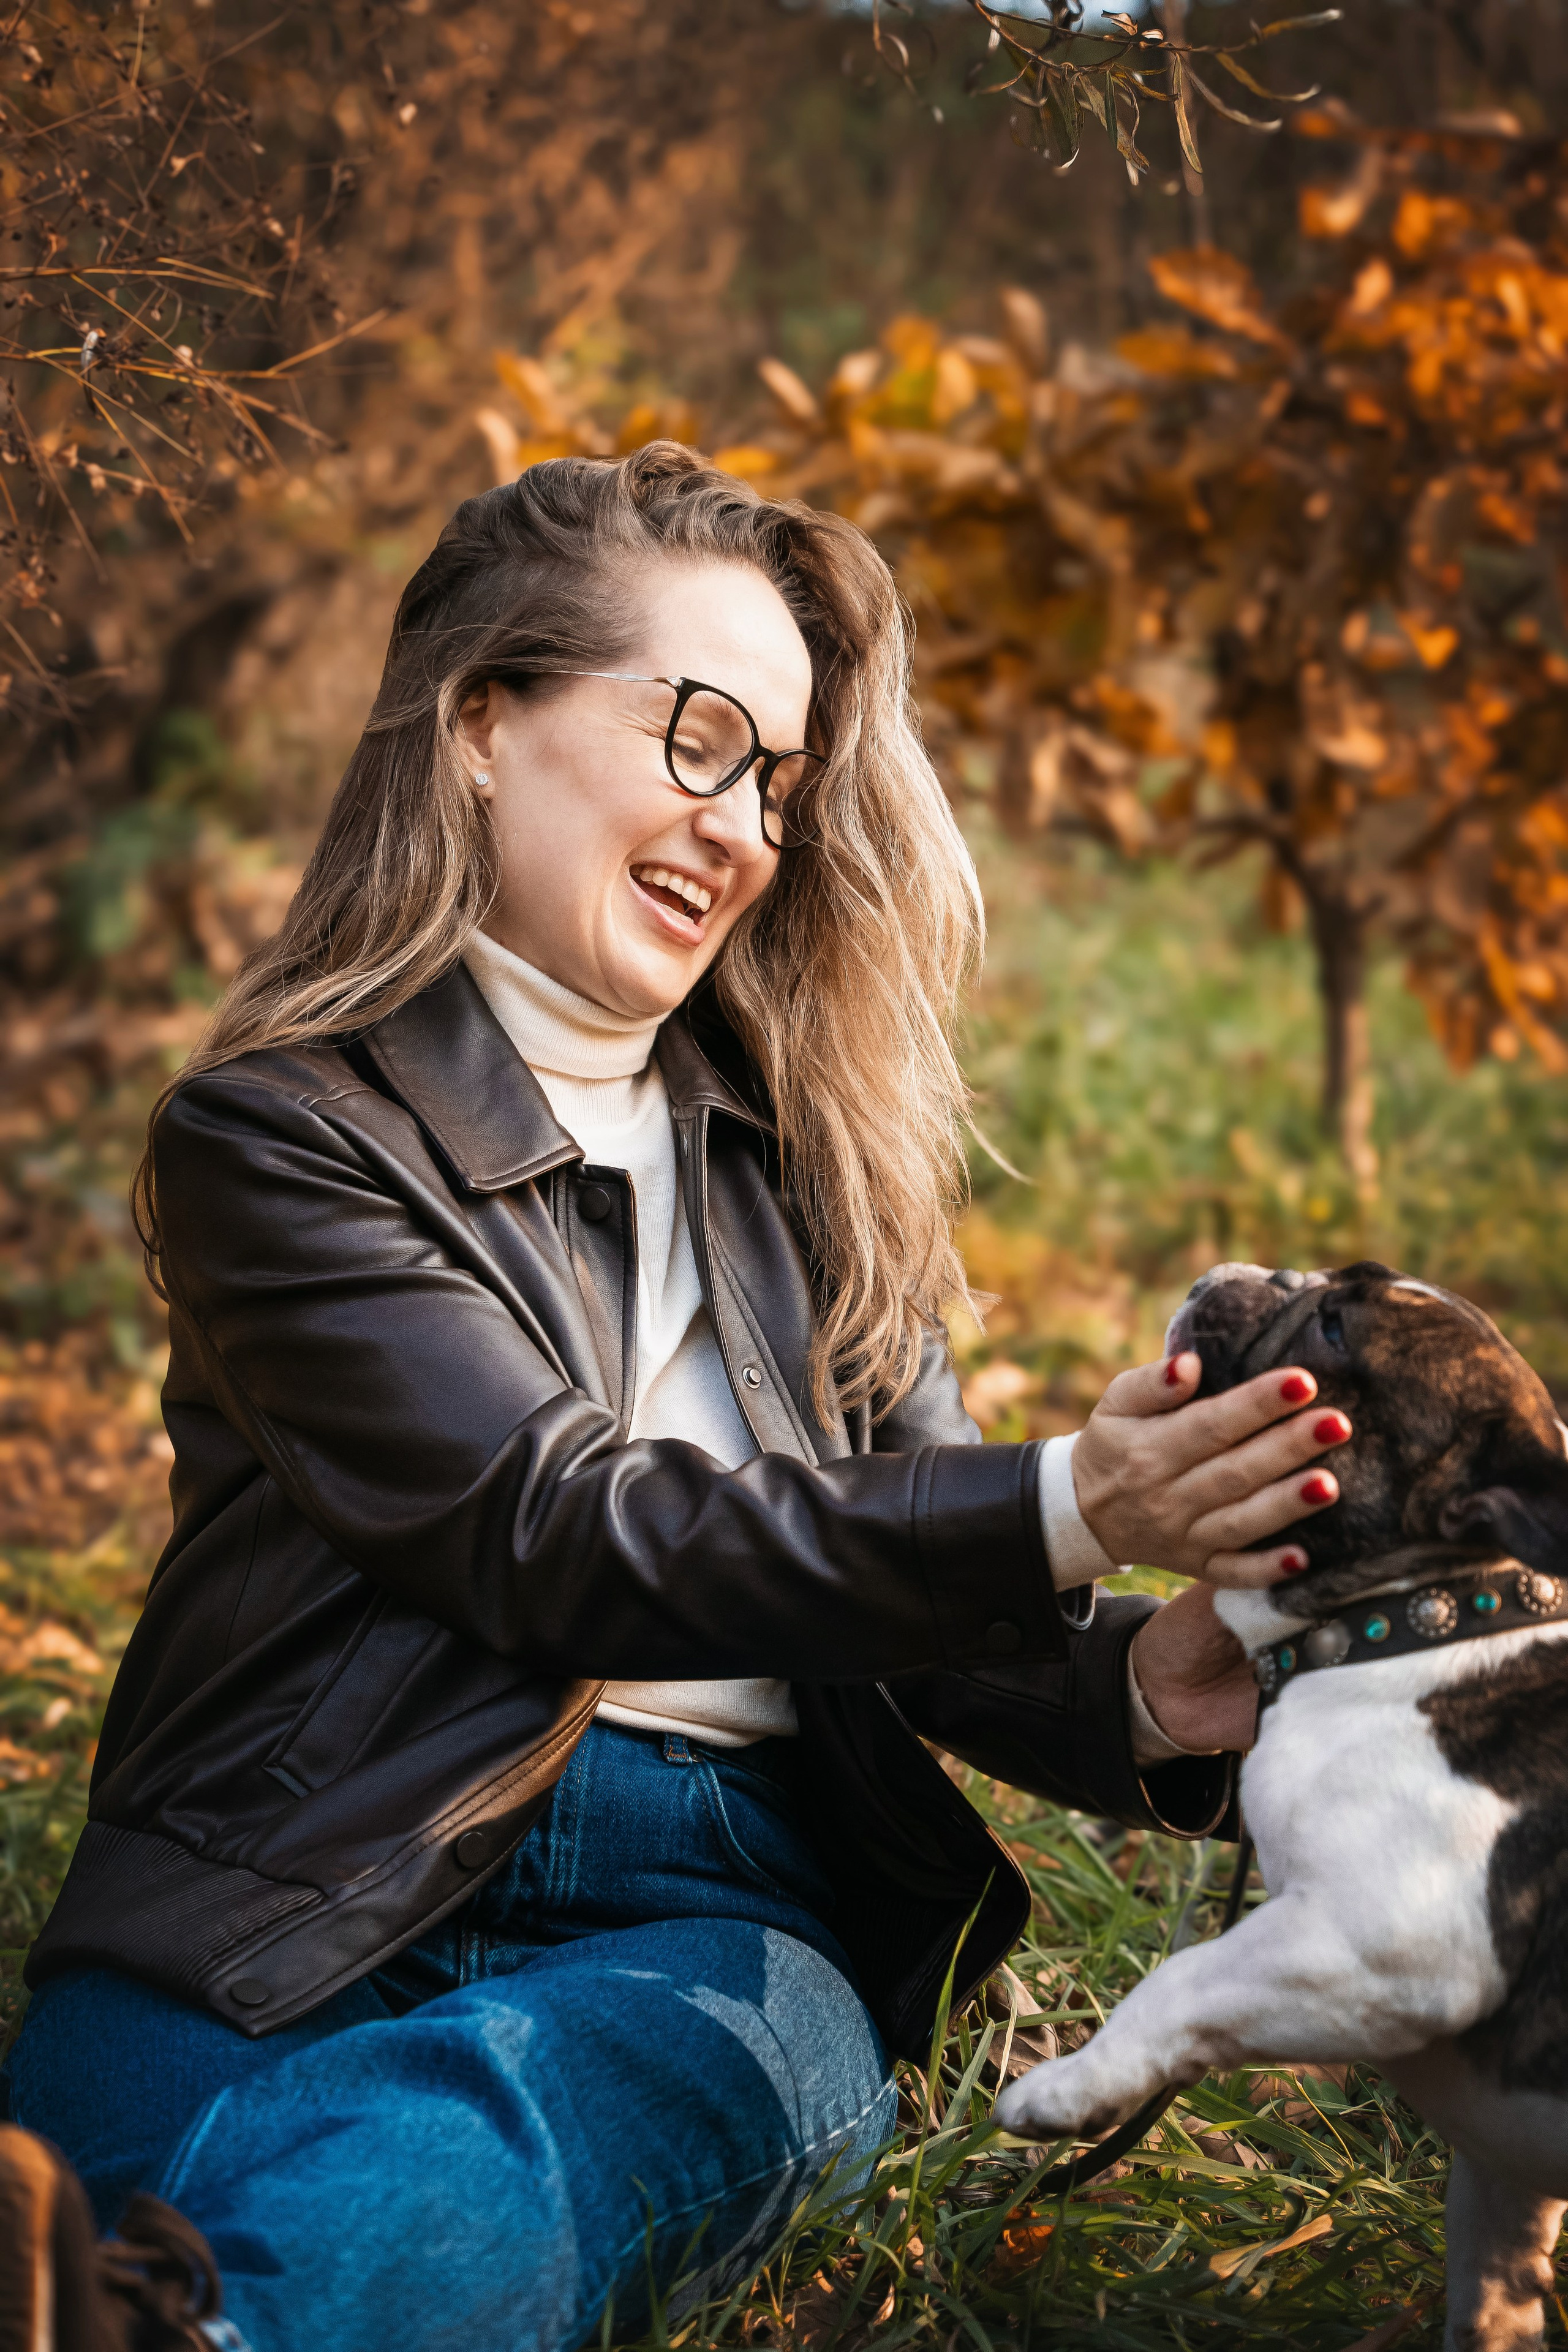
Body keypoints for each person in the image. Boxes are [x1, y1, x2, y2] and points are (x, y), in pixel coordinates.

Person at [0, 447, 1349, 2352]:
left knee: (509, 2137)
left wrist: (1154, 1687)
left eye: (779, 782)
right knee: (123, 2191)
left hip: (717, 1905)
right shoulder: (283, 1137)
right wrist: (1069, 1498)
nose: (745, 830)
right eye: (702, 740)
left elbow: (913, 1612)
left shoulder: (818, 1175)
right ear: (483, 721)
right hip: (283, 1884)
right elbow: (552, 1529)